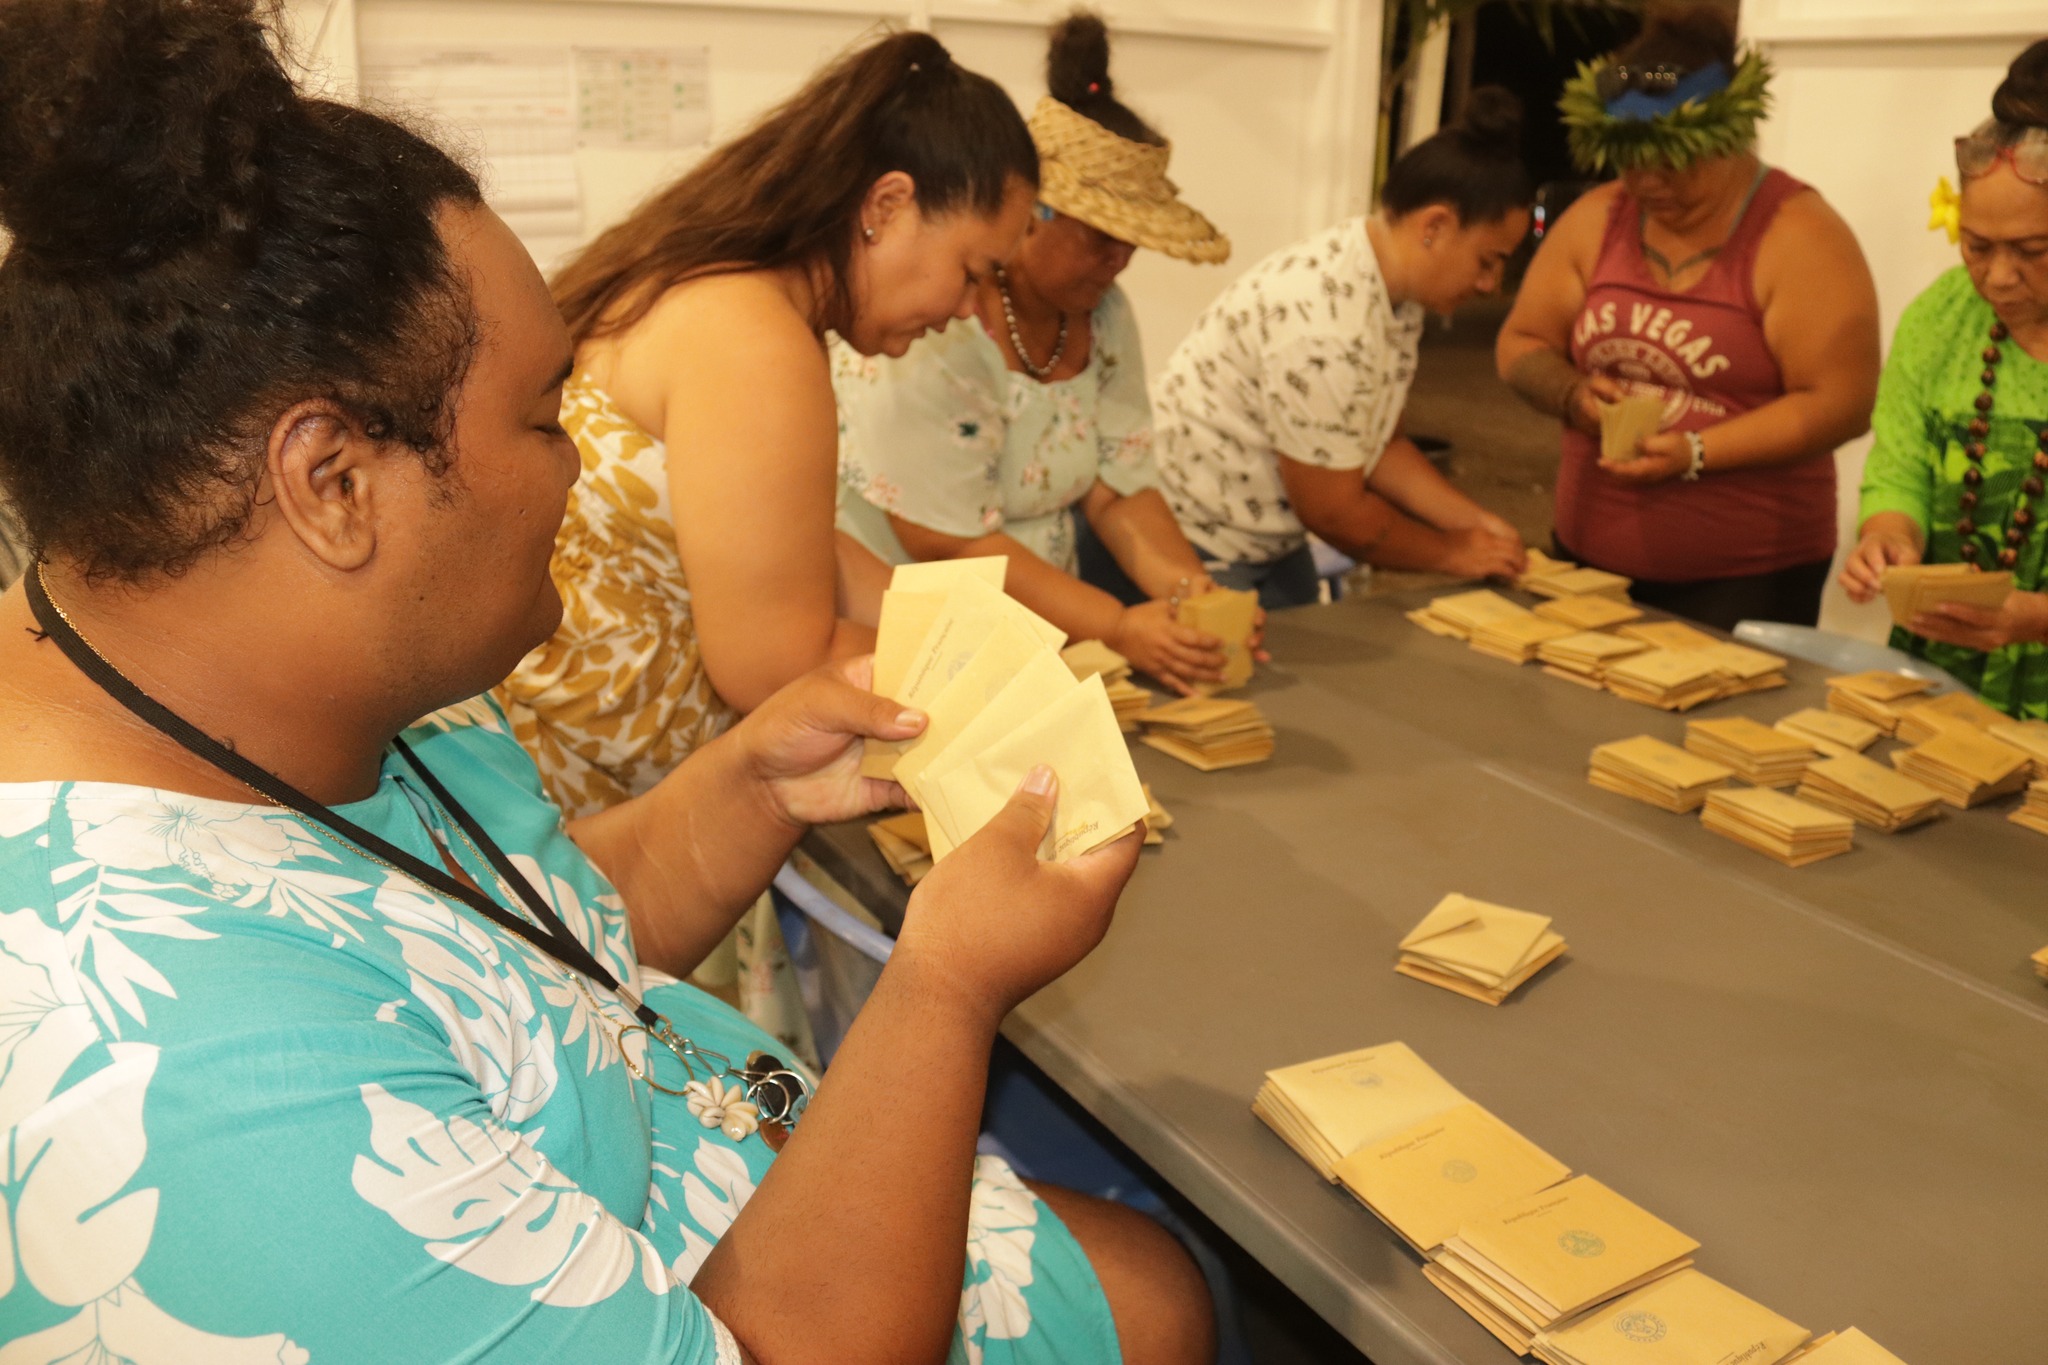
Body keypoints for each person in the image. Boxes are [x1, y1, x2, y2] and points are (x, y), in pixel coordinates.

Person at [0, 3, 1218, 1362]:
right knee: (1167, 1294)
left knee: (1158, 1273)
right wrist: (946, 984)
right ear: (332, 483)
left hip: (712, 1136)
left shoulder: (284, 669)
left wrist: (741, 791)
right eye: (543, 418)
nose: (587, 467)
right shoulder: (184, 1096)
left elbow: (523, 937)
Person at [500, 31, 1039, 1046]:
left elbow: (802, 548)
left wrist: (983, 635)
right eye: (973, 273)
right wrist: (1003, 704)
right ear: (885, 206)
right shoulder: (754, 337)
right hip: (592, 824)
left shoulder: (703, 288)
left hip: (563, 778)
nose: (967, 313)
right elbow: (771, 662)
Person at [834, 11, 1235, 694]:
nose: (1120, 259)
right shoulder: (934, 324)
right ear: (1029, 215)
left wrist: (1183, 594)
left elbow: (1118, 485)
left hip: (1045, 625)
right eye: (1100, 235)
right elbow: (945, 539)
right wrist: (1114, 624)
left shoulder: (1104, 314)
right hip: (900, 634)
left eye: (1131, 241)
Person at [1497, 3, 1881, 633]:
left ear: (1726, 137)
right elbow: (1521, 341)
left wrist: (1699, 452)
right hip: (1586, 559)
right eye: (1631, 159)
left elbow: (1841, 402)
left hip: (1747, 578)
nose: (1648, 181)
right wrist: (1570, 394)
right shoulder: (1598, 219)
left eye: (1673, 160)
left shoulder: (1800, 236)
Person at [1153, 89, 1534, 609]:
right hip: (1199, 540)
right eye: (1487, 261)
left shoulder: (1393, 291)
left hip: (1268, 535)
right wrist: (1453, 553)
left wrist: (1475, 524)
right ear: (1436, 227)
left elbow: (1379, 446)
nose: (1490, 285)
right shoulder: (1327, 326)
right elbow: (1333, 511)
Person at [1840, 39, 2048, 718]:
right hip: (1942, 687)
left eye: (2033, 251)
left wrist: (2036, 617)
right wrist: (1888, 533)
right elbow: (1899, 465)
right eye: (1978, 245)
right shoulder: (1941, 319)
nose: (1998, 276)